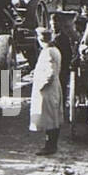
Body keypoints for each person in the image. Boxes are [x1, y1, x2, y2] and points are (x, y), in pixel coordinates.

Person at [30, 26, 63, 156]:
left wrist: (41, 85)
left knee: (49, 118)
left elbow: (50, 72)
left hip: (48, 90)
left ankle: (50, 146)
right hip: (53, 87)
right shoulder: (55, 50)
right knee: (53, 117)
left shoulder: (48, 52)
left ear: (41, 39)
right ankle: (51, 144)